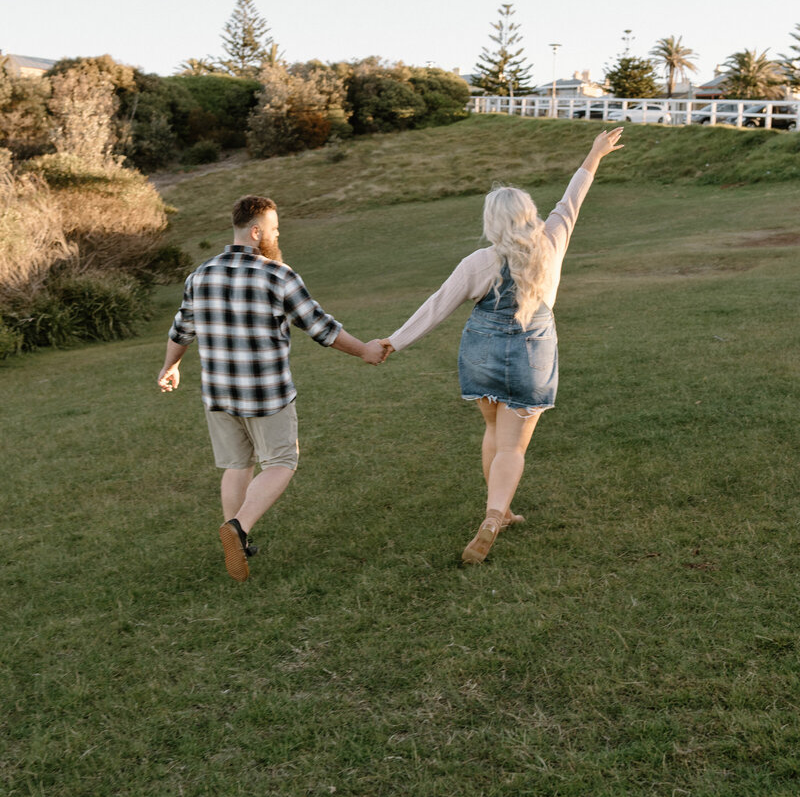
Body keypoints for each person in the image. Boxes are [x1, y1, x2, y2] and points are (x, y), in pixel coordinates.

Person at [381, 128, 624, 564]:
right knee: (512, 446)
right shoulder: (551, 242)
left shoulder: (478, 262)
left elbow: (436, 307)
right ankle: (495, 515)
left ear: (491, 222)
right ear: (529, 214)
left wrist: (393, 342)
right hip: (532, 354)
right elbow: (571, 200)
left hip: (482, 353)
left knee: (493, 431)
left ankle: (502, 510)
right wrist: (594, 155)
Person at [157, 194, 387, 582]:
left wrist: (171, 366)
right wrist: (364, 350)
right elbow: (321, 327)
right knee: (281, 463)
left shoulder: (200, 275)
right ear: (255, 231)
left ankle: (238, 543)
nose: (277, 235)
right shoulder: (278, 275)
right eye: (275, 229)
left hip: (219, 394)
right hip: (267, 394)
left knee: (237, 465)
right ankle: (239, 528)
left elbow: (181, 330)